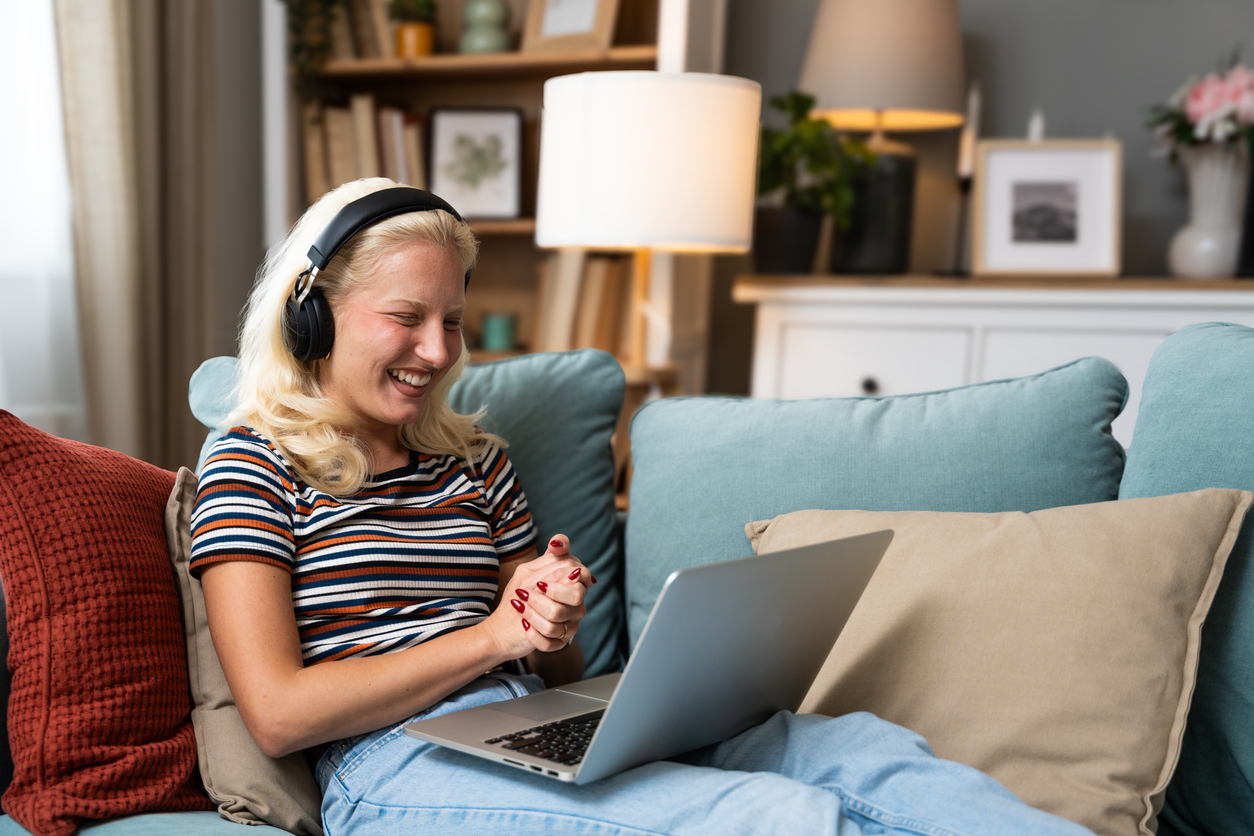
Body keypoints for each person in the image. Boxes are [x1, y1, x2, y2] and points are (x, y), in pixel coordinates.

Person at [191, 178, 1093, 836]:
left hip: (529, 721)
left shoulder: (470, 461)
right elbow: (278, 712)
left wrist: (549, 622)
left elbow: (554, 663)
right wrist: (494, 637)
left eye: (455, 320)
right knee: (775, 819)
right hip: (390, 766)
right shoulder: (252, 463)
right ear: (314, 315)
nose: (439, 350)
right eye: (408, 317)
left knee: (854, 751)